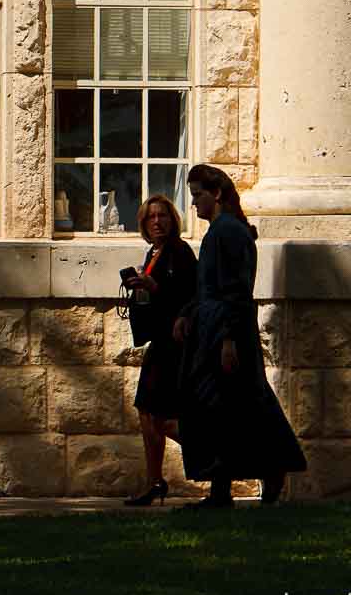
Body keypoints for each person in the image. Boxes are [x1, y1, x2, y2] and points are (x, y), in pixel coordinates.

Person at [174, 164, 306, 508]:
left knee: (242, 405)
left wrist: (230, 339)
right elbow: (208, 286)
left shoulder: (230, 232)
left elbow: (236, 289)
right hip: (210, 329)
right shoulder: (217, 232)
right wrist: (187, 314)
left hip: (225, 333)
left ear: (216, 193)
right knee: (217, 409)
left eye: (198, 195)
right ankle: (221, 488)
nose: (194, 204)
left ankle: (272, 468)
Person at [123, 195, 197, 507]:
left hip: (176, 345)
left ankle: (216, 455)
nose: (157, 222)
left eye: (163, 216)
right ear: (143, 224)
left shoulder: (180, 252)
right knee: (146, 412)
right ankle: (154, 481)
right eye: (151, 217)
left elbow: (191, 295)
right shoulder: (153, 253)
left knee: (165, 418)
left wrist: (155, 289)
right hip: (159, 343)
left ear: (173, 220)